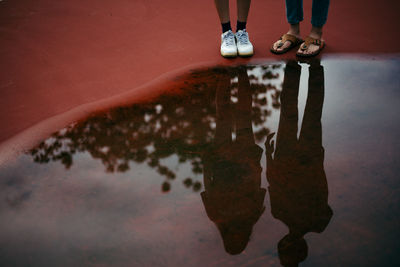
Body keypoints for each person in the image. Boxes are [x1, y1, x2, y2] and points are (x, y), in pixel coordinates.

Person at [266, 60, 332, 266]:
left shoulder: (319, 222)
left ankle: (309, 69)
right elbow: (273, 181)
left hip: (304, 160)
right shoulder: (283, 213)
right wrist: (269, 156)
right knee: (294, 110)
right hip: (300, 160)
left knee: (309, 111)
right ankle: (296, 68)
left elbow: (273, 182)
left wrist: (269, 156)